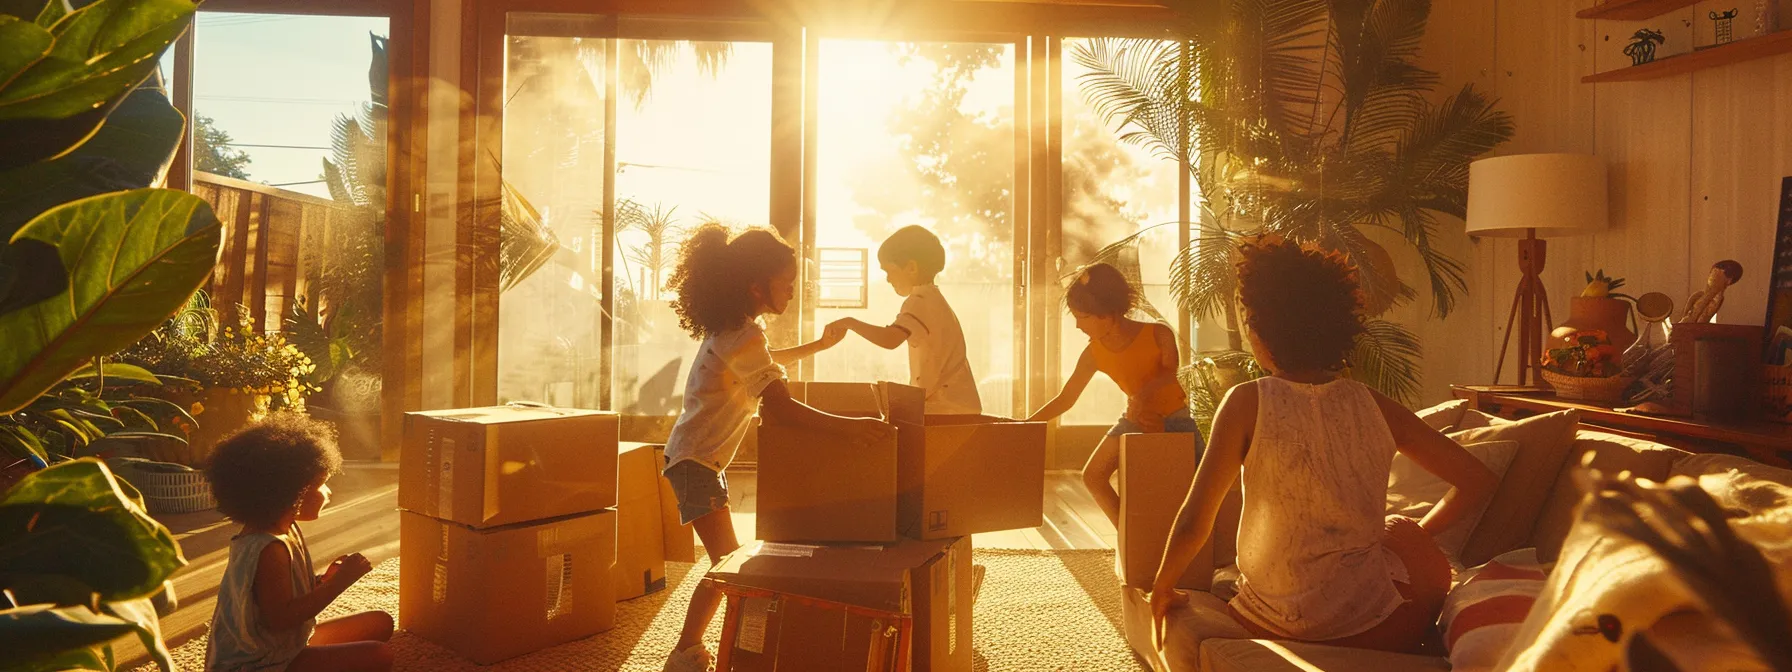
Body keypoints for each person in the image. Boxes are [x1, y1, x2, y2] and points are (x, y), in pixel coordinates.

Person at [1149, 239, 1497, 654]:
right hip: (1377, 628)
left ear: (1260, 325)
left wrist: (1162, 588)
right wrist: (1414, 535)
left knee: (1395, 532)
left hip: (1269, 620)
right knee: (1402, 530)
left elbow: (1194, 521)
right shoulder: (1375, 405)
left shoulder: (1246, 401)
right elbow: (1478, 481)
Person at [660, 224, 893, 672]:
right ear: (756, 286)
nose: (792, 290)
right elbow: (781, 408)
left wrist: (818, 347)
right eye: (786, 282)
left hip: (695, 459)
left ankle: (689, 651)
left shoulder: (736, 331)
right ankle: (685, 654)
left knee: (727, 564)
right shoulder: (742, 336)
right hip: (695, 463)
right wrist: (850, 428)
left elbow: (766, 365)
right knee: (727, 565)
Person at [204, 414, 394, 672]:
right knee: (379, 656)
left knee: (379, 622)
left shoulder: (285, 527)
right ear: (292, 492)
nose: (328, 492)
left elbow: (274, 596)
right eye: (321, 484)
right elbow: (280, 618)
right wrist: (340, 583)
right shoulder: (267, 547)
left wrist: (321, 581)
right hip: (257, 664)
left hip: (279, 646)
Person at [1025, 262, 1197, 526]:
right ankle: (1130, 536)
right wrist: (1026, 426)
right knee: (1093, 476)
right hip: (1133, 421)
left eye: (1081, 317)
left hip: (1175, 420)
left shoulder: (1158, 333)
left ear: (1104, 312)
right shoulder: (1093, 353)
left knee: (1203, 482)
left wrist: (1141, 396)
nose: (1077, 326)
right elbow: (1066, 398)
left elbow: (1169, 374)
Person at [825, 225, 981, 414]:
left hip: (946, 409)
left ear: (911, 268)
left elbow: (890, 339)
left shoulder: (919, 302)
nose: (888, 279)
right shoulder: (933, 299)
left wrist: (850, 322)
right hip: (955, 405)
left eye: (888, 271)